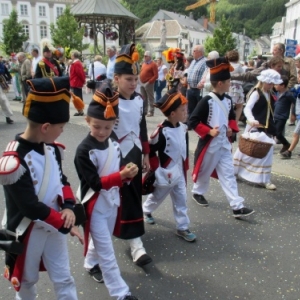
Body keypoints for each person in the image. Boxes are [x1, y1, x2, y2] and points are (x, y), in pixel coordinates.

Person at [0, 76, 82, 299]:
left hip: (54, 223)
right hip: (28, 231)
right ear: (45, 127)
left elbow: (61, 181)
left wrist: (67, 207)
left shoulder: (52, 149)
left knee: (64, 277)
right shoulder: (14, 159)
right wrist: (64, 224)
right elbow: (29, 207)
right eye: (61, 127)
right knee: (26, 282)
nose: (63, 131)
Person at [74, 81, 139, 300]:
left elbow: (116, 169)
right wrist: (121, 176)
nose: (102, 131)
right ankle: (120, 293)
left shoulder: (113, 141)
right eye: (97, 126)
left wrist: (127, 172)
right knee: (108, 253)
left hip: (112, 202)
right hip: (95, 206)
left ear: (114, 124)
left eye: (108, 127)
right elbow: (95, 183)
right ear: (87, 121)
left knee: (104, 242)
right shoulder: (83, 151)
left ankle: (90, 262)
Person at [188, 57, 254, 218]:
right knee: (205, 171)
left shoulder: (229, 100)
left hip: (224, 144)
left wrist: (232, 128)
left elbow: (231, 117)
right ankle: (197, 191)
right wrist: (209, 131)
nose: (230, 83)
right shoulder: (206, 101)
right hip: (210, 145)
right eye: (228, 81)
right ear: (219, 83)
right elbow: (193, 120)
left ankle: (237, 206)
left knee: (228, 174)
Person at [112, 43, 152, 267]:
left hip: (135, 152)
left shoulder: (139, 99)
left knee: (133, 194)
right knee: (111, 197)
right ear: (116, 78)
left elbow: (142, 126)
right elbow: (98, 130)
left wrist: (146, 153)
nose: (134, 83)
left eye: (136, 79)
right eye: (129, 79)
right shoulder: (107, 99)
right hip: (114, 154)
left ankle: (135, 241)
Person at [143, 88, 196, 242]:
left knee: (181, 199)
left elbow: (183, 150)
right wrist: (156, 170)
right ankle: (146, 211)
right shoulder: (161, 131)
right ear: (173, 113)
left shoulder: (183, 127)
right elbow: (151, 150)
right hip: (165, 172)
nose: (186, 112)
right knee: (157, 197)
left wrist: (185, 167)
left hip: (179, 172)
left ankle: (182, 227)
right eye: (183, 110)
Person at [233, 69, 283, 190]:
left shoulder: (269, 93)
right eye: (269, 83)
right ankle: (234, 171)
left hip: (266, 127)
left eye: (272, 83)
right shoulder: (257, 93)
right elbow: (247, 108)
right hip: (255, 126)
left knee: (267, 152)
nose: (271, 85)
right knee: (245, 150)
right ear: (264, 81)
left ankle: (264, 179)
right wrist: (251, 120)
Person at [274, 75, 295, 153]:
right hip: (275, 115)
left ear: (282, 86)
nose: (275, 86)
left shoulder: (288, 94)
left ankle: (286, 144)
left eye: (276, 84)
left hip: (282, 116)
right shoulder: (278, 93)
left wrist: (293, 113)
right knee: (274, 131)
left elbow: (295, 102)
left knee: (278, 133)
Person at [186, 45, 206, 118]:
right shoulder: (193, 61)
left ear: (200, 52)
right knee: (190, 108)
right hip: (191, 88)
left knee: (199, 108)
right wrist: (188, 86)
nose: (192, 53)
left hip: (199, 90)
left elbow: (205, 75)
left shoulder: (205, 62)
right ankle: (190, 123)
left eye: (194, 51)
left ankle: (198, 123)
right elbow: (189, 73)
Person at [227, 50, 245, 123]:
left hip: (227, 87)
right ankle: (235, 121)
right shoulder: (239, 66)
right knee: (239, 106)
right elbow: (244, 77)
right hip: (237, 88)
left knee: (227, 105)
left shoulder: (226, 66)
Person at [140, 50, 158, 116]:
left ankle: (151, 111)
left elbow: (156, 75)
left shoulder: (153, 64)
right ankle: (145, 111)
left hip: (149, 83)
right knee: (144, 98)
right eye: (144, 56)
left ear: (149, 56)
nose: (144, 57)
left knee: (150, 98)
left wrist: (149, 82)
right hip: (142, 83)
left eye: (146, 56)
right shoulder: (144, 63)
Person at [69, 50, 86, 116]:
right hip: (75, 82)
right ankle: (80, 110)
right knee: (77, 96)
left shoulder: (76, 63)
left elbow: (80, 73)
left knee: (77, 97)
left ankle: (80, 110)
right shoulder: (76, 63)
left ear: (73, 56)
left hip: (76, 82)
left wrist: (83, 80)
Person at [0, 55, 14, 124]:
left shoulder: (1, 64)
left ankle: (7, 116)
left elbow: (3, 71)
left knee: (3, 100)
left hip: (0, 83)